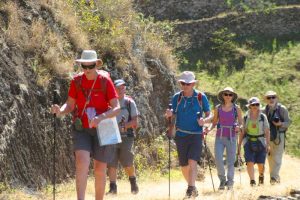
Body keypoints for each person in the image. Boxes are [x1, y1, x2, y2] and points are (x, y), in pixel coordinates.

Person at [51, 50, 120, 200]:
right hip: (82, 127)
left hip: (103, 127)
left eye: (91, 66)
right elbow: (69, 105)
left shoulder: (105, 81)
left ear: (97, 64)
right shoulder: (76, 81)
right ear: (81, 65)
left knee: (100, 169)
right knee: (81, 162)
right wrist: (60, 111)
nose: (87, 70)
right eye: (84, 66)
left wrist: (100, 117)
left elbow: (116, 108)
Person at [165, 71, 211, 199]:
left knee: (192, 161)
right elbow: (172, 114)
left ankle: (190, 189)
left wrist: (205, 122)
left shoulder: (201, 97)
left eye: (188, 83)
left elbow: (209, 115)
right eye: (183, 83)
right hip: (181, 135)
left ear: (193, 84)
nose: (185, 85)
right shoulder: (177, 97)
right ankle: (193, 187)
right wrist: (169, 115)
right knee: (184, 165)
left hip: (196, 134)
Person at [106, 79, 139, 195]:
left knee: (128, 162)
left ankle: (133, 181)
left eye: (122, 88)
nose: (120, 90)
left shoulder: (129, 103)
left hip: (127, 136)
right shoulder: (108, 102)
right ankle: (113, 188)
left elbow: (135, 122)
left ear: (125, 89)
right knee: (111, 163)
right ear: (113, 89)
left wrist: (125, 125)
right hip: (111, 136)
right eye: (118, 88)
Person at [209, 87, 243, 190]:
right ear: (222, 95)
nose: (228, 96)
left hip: (232, 137)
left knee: (230, 161)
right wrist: (207, 130)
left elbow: (241, 123)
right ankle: (222, 180)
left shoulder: (237, 108)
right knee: (218, 160)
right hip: (219, 136)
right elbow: (214, 122)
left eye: (230, 94)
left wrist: (239, 128)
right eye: (226, 94)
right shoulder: (218, 108)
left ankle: (230, 182)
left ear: (233, 96)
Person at [237, 97, 270, 186]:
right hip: (248, 141)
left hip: (261, 141)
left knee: (260, 164)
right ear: (250, 106)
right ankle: (252, 181)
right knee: (249, 162)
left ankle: (261, 175)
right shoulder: (246, 117)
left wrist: (268, 145)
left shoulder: (263, 117)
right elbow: (242, 132)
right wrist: (239, 146)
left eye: (257, 104)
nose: (255, 106)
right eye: (253, 105)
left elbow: (267, 131)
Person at [262, 91, 291, 184]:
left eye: (273, 97)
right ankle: (275, 178)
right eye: (269, 98)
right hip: (267, 137)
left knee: (277, 158)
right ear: (266, 100)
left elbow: (288, 122)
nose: (271, 99)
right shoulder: (263, 110)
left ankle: (273, 179)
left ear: (276, 98)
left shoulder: (282, 109)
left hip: (279, 136)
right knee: (270, 159)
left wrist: (280, 124)